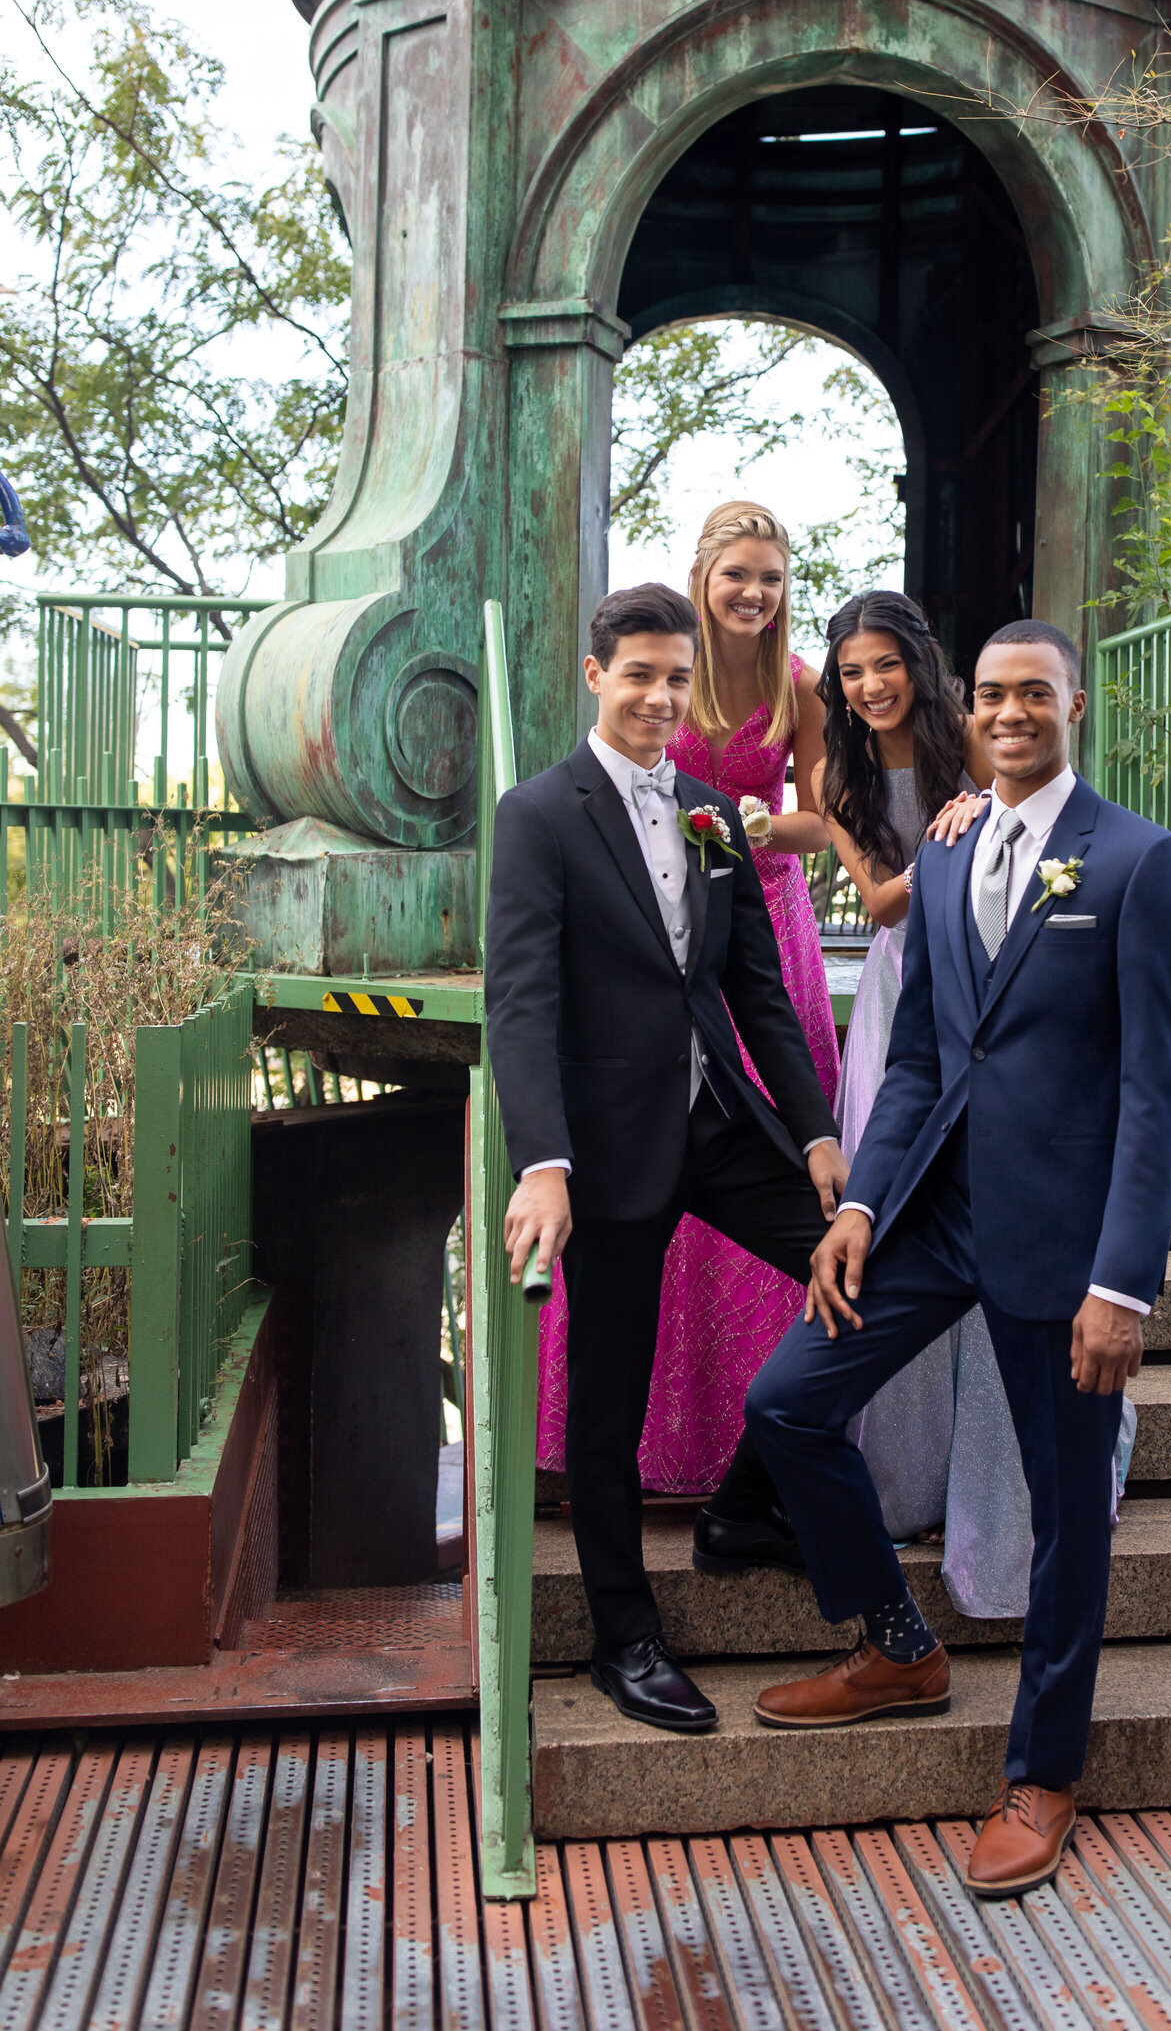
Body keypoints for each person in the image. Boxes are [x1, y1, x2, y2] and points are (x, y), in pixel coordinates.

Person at [745, 620, 1171, 1900]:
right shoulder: (943, 855)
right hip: (933, 1213)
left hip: (1061, 1245)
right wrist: (860, 1206)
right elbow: (928, 1060)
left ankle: (1042, 1774)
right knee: (785, 1403)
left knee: (1067, 1521)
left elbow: (1154, 1094)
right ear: (972, 703)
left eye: (1033, 695)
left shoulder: (1136, 861)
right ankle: (896, 1641)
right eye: (992, 694)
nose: (1010, 713)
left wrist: (1124, 1284)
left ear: (1075, 706)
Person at [486, 584, 848, 1734]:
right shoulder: (538, 813)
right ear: (595, 676)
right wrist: (542, 1161)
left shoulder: (711, 813)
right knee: (608, 1402)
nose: (658, 696)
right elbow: (521, 1001)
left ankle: (746, 1499)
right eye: (638, 674)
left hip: (721, 1125)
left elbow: (752, 992)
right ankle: (623, 1635)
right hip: (603, 1149)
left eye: (675, 679)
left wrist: (816, 1130)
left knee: (872, 1271)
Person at [534, 503, 838, 1501]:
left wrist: (769, 823)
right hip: (655, 957)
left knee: (775, 1204)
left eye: (771, 577)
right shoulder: (668, 678)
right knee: (659, 1207)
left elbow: (821, 819)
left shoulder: (799, 684)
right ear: (703, 580)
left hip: (766, 928)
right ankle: (662, 1442)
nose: (754, 593)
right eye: (735, 575)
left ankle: (760, 1448)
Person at [814, 592, 1031, 1613]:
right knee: (892, 1215)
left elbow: (1028, 835)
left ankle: (996, 1473)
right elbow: (880, 899)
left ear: (914, 661)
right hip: (899, 985)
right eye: (851, 672)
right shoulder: (836, 770)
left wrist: (985, 810)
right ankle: (907, 1475)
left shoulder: (980, 740)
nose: (869, 687)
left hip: (976, 971)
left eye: (882, 666)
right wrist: (958, 836)